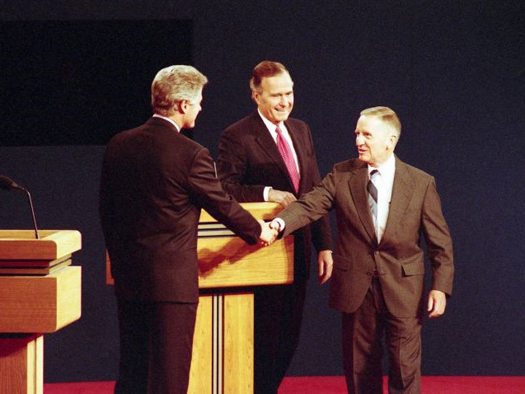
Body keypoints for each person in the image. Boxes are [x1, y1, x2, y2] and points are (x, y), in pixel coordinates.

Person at [99, 65, 276, 394]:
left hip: (130, 282)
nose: (200, 107)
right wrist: (258, 231)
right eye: (198, 101)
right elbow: (221, 203)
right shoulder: (190, 154)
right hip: (172, 288)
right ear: (182, 105)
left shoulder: (119, 144)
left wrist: (122, 262)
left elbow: (106, 212)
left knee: (133, 374)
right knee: (169, 378)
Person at [270, 106, 454, 393]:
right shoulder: (342, 174)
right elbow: (310, 204)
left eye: (367, 134)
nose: (358, 140)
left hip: (404, 288)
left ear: (390, 141)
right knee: (359, 370)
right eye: (357, 133)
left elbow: (440, 243)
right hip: (357, 288)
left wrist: (440, 287)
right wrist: (279, 224)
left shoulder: (421, 183)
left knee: (404, 370)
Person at [217, 60, 333, 394]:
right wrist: (267, 193)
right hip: (261, 256)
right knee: (263, 340)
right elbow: (224, 189)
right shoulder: (237, 135)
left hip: (299, 253)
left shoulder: (301, 129)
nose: (285, 101)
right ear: (256, 95)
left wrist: (324, 245)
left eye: (289, 93)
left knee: (288, 338)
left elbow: (315, 191)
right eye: (276, 95)